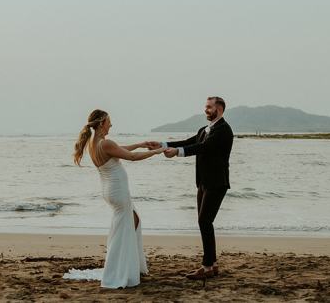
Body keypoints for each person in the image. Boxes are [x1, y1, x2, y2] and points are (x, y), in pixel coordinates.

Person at [71, 109, 164, 289]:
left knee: (134, 221)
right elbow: (130, 157)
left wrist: (141, 144)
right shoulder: (104, 144)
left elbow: (120, 150)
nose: (111, 125)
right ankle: (118, 270)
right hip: (118, 191)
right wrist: (158, 151)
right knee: (124, 229)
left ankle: (129, 266)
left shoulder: (95, 142)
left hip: (111, 190)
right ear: (100, 124)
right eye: (109, 122)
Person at [147, 96, 234, 280]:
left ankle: (207, 266)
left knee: (204, 222)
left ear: (219, 109)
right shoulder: (204, 129)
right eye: (205, 107)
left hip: (217, 183)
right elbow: (189, 141)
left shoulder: (224, 130)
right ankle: (212, 264)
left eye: (209, 107)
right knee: (204, 223)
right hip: (203, 183)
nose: (206, 110)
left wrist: (177, 153)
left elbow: (203, 147)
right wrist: (163, 145)